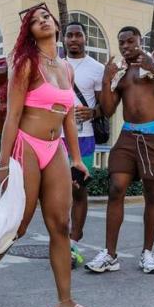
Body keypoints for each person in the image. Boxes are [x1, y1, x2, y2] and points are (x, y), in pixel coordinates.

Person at [0, 3, 96, 307]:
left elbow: (68, 115)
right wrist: (2, 164)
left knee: (61, 224)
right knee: (19, 224)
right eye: (35, 20)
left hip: (55, 148)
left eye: (46, 17)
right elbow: (12, 116)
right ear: (28, 31)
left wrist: (77, 159)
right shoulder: (25, 63)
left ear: (55, 24)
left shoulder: (66, 68)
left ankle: (65, 303)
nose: (42, 21)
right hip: (26, 146)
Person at [85, 26, 154, 274]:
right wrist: (107, 79)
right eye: (122, 43)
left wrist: (153, 67)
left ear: (140, 41)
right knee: (116, 189)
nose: (126, 46)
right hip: (127, 136)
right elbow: (107, 110)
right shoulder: (121, 73)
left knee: (151, 193)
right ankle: (110, 254)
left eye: (130, 41)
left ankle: (147, 253)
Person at [63, 20, 104, 269]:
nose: (73, 39)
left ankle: (73, 242)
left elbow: (105, 106)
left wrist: (93, 113)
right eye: (69, 35)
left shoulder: (96, 68)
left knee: (78, 190)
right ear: (64, 39)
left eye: (78, 35)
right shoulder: (55, 65)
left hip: (84, 138)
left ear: (85, 39)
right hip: (56, 138)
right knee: (58, 193)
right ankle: (61, 241)